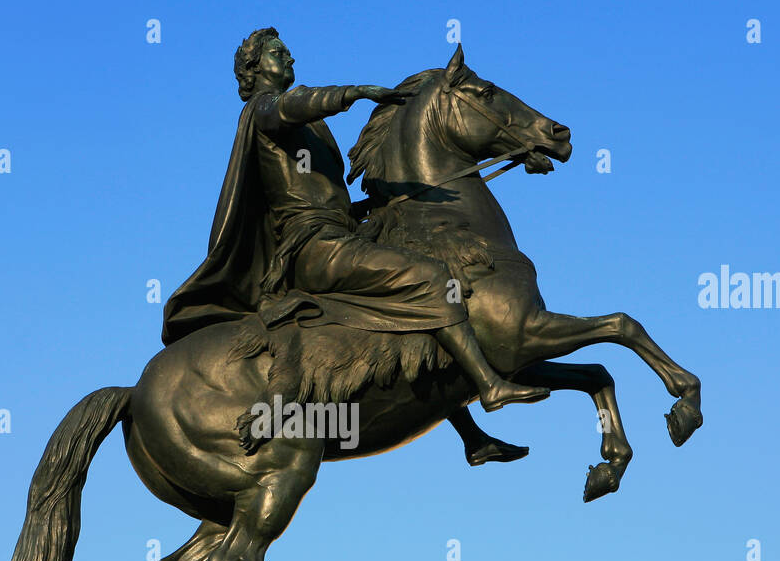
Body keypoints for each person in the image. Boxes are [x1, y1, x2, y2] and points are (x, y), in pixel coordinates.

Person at [162, 27, 540, 459]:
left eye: (288, 51)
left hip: (337, 233)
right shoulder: (262, 111)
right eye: (277, 53)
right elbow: (290, 108)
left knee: (408, 306)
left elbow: (322, 192)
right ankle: (489, 386)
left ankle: (472, 437)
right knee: (430, 278)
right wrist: (354, 93)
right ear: (253, 68)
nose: (289, 58)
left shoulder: (312, 128)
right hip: (314, 248)